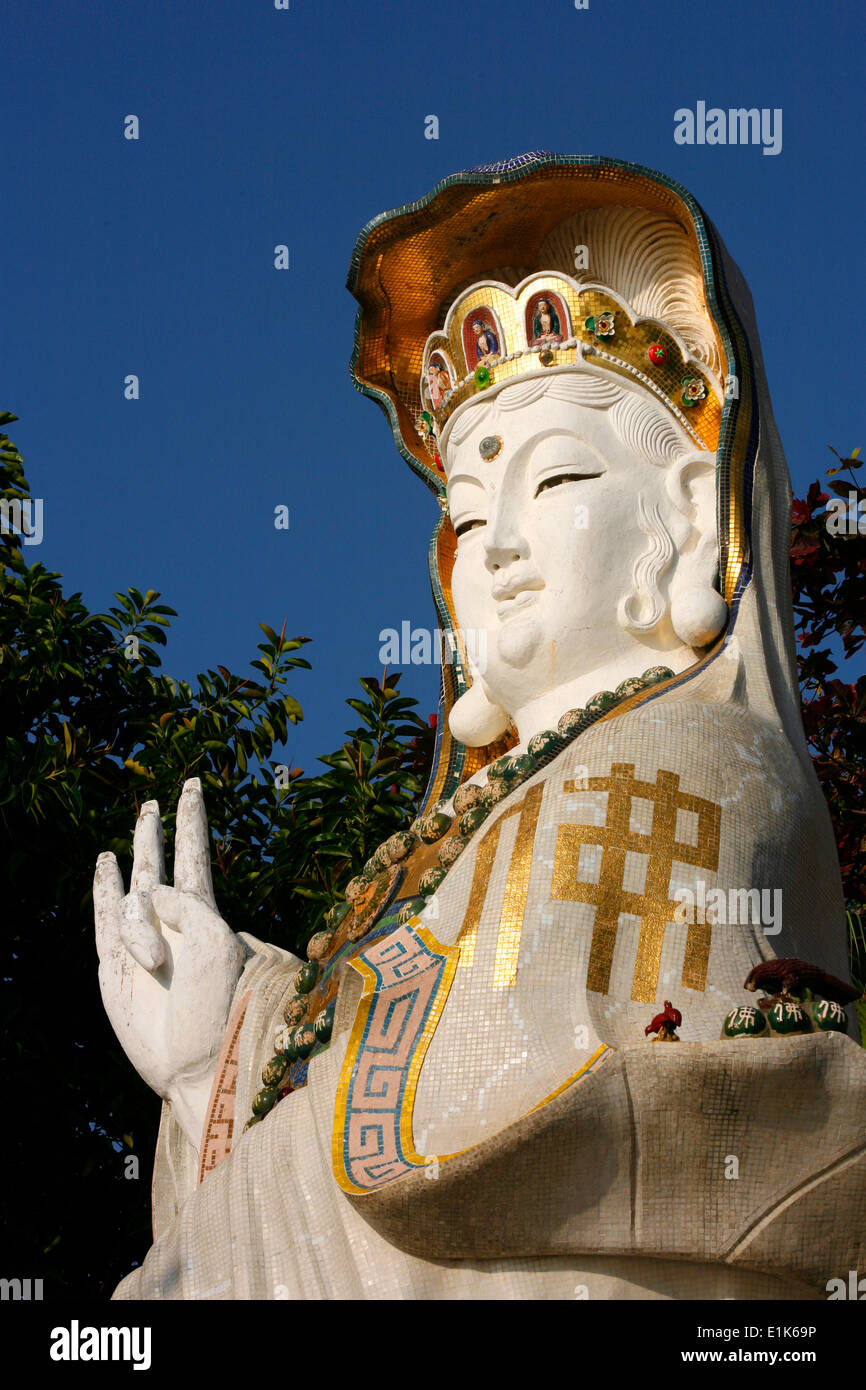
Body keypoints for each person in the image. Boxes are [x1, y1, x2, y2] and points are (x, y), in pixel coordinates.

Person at [100, 154, 862, 1301]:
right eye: (465, 511)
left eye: (553, 481)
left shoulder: (693, 763)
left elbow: (492, 1113)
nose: (493, 545)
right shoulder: (451, 832)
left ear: (689, 512)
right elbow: (396, 1080)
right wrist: (223, 1049)